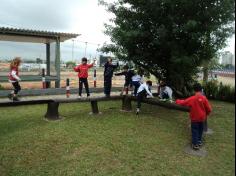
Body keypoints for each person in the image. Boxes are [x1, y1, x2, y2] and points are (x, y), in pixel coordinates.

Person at [175, 83, 212, 150]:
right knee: (200, 130)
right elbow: (209, 109)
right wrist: (206, 114)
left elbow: (184, 102)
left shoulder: (193, 98)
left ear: (194, 90)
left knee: (195, 130)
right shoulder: (204, 98)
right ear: (201, 90)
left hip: (195, 118)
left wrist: (177, 101)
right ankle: (199, 141)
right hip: (202, 118)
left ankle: (195, 144)